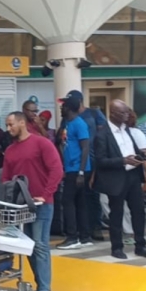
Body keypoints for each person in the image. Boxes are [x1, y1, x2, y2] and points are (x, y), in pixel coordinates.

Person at [2, 112, 63, 291]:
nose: (8, 128)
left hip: (42, 204)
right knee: (29, 247)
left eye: (11, 124)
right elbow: (6, 179)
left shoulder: (41, 143)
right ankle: (41, 286)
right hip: (21, 206)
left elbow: (56, 169)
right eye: (7, 125)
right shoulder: (10, 151)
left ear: (22, 123)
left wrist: (45, 195)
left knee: (40, 245)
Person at [94, 100, 146, 261]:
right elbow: (100, 161)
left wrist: (145, 156)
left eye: (127, 112)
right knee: (117, 213)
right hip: (116, 177)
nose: (127, 116)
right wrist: (123, 161)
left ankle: (141, 245)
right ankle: (117, 247)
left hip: (133, 175)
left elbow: (133, 151)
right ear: (112, 114)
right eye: (123, 113)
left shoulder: (127, 130)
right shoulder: (102, 134)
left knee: (138, 211)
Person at [56, 98, 93, 250]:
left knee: (67, 201)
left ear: (69, 108)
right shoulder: (67, 124)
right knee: (80, 203)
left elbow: (85, 148)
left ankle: (72, 237)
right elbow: (62, 143)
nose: (60, 109)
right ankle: (84, 236)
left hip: (77, 169)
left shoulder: (79, 124)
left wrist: (81, 172)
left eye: (63, 107)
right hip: (70, 168)